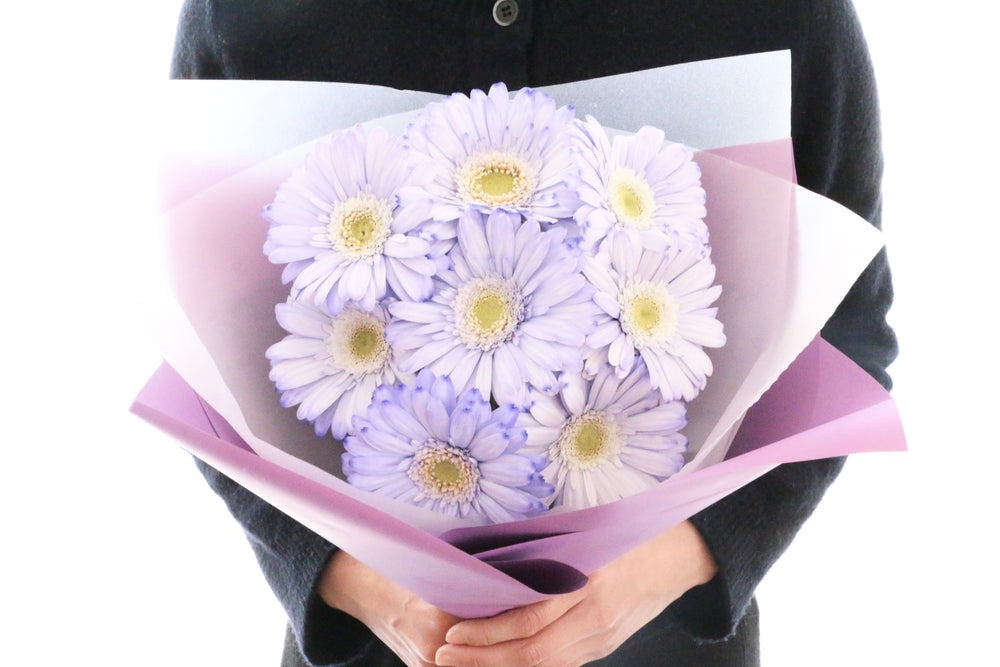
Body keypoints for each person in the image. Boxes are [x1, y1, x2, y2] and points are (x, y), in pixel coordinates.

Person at [170, 1, 897, 665]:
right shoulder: (243, 13)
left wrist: (672, 563)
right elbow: (197, 352)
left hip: (664, 643)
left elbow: (849, 332)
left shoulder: (785, 13)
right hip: (374, 647)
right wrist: (353, 580)